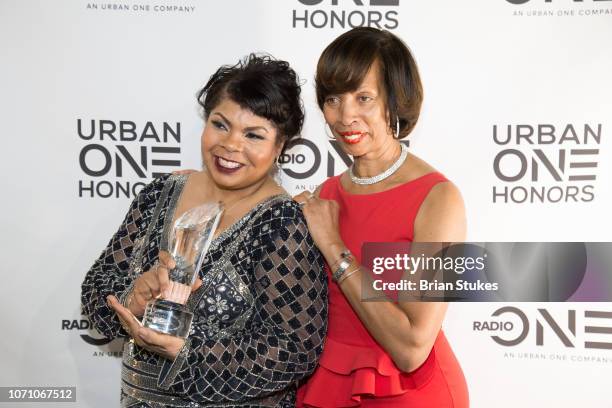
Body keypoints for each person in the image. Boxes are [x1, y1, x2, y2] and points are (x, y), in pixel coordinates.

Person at [81, 54, 328, 408]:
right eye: (221, 124)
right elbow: (96, 288)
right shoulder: (160, 193)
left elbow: (293, 350)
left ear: (280, 146)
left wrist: (186, 352)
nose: (230, 145)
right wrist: (133, 299)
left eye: (254, 135)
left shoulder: (281, 224)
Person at [294, 28, 469, 407]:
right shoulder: (325, 196)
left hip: (408, 393)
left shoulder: (438, 199)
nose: (345, 116)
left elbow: (412, 347)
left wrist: (334, 247)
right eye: (333, 99)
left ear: (395, 99)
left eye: (364, 98)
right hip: (326, 387)